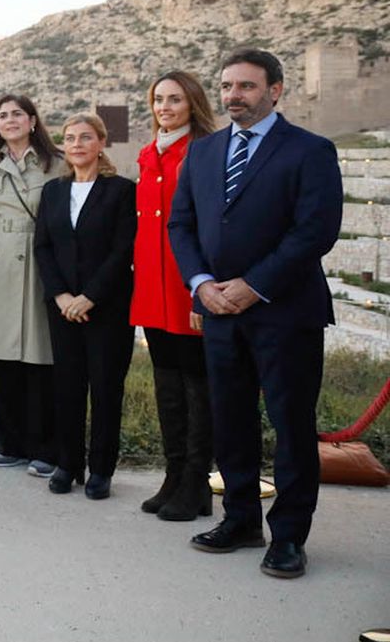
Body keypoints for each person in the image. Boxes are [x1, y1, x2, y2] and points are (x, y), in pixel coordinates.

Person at [168, 48, 343, 580]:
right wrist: (201, 285)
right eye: (226, 86)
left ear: (275, 90)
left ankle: (289, 536)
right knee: (231, 421)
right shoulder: (202, 153)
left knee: (290, 425)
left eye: (245, 86)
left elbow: (316, 230)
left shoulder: (310, 150)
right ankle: (240, 519)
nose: (232, 96)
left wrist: (255, 285)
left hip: (286, 312)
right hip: (219, 312)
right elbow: (181, 226)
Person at [33, 113, 137, 499]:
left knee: (106, 388)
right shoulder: (53, 192)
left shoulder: (122, 190)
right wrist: (61, 295)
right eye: (70, 138)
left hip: (106, 306)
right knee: (68, 386)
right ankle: (68, 463)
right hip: (62, 308)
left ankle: (101, 469)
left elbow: (122, 249)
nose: (77, 144)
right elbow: (43, 246)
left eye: (86, 137)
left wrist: (89, 296)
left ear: (101, 143)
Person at [132, 71, 219, 520]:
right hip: (151, 286)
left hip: (187, 284)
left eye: (175, 100)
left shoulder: (205, 151)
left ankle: (196, 481)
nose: (164, 107)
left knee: (196, 385)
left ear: (192, 104)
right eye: (158, 99)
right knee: (166, 381)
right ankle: (173, 474)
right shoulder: (149, 154)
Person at [0, 95, 63, 477]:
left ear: (33, 120)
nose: (10, 120)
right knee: (1, 358)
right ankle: (9, 442)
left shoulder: (57, 163)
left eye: (17, 114)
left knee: (42, 358)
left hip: (40, 260)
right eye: (2, 115)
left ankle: (45, 447)